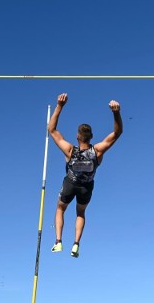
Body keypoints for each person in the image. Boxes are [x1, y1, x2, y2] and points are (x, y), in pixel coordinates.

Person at [48, 93, 124, 258]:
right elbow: (117, 134)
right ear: (91, 137)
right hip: (86, 188)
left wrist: (60, 106)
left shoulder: (70, 150)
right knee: (80, 213)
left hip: (70, 184)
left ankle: (58, 241)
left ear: (77, 136)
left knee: (60, 208)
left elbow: (51, 130)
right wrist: (116, 113)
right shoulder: (97, 151)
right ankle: (76, 244)